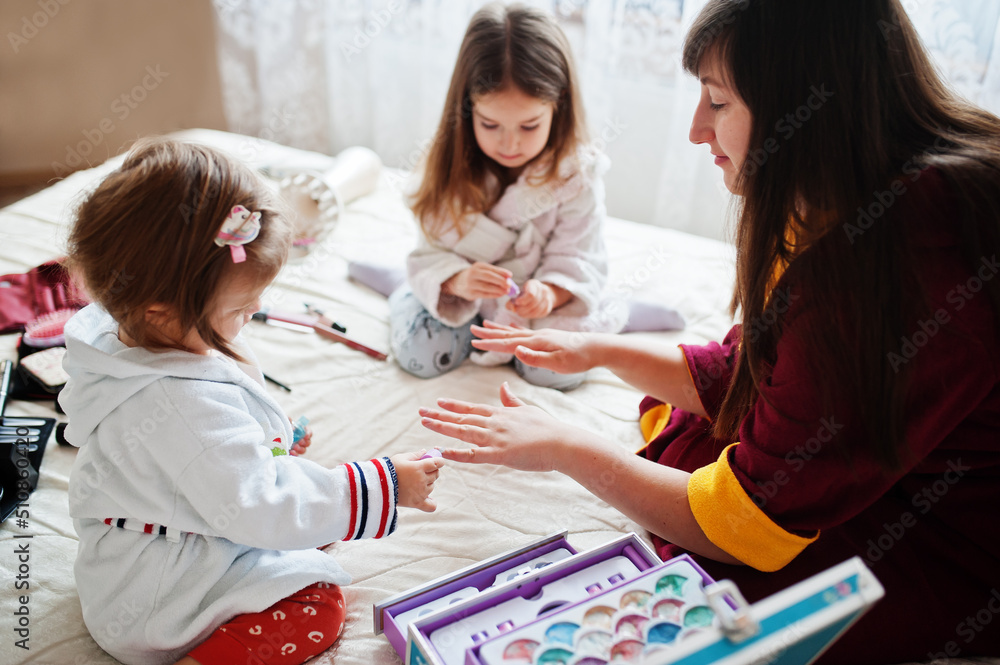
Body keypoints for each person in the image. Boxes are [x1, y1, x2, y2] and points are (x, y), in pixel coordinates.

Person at [418, 0, 1000, 661]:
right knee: (687, 434)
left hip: (960, 539)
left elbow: (751, 518)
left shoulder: (884, 267)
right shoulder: (854, 196)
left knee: (709, 582)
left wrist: (568, 447)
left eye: (718, 103)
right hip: (911, 453)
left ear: (802, 107)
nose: (696, 130)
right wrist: (596, 348)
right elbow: (759, 363)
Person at [60, 138, 444, 665]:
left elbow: (205, 456)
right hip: (160, 591)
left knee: (306, 524)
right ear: (161, 312)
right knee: (319, 605)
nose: (258, 307)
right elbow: (257, 501)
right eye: (242, 305)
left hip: (153, 535)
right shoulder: (179, 406)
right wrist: (385, 483)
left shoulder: (126, 339)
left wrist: (269, 442)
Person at [389, 2, 625, 390]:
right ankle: (401, 292)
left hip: (539, 302)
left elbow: (578, 255)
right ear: (467, 107)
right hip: (464, 300)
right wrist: (456, 280)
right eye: (490, 123)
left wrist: (549, 292)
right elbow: (430, 250)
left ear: (558, 104)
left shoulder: (576, 176)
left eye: (530, 125)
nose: (509, 143)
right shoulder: (448, 170)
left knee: (555, 372)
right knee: (420, 355)